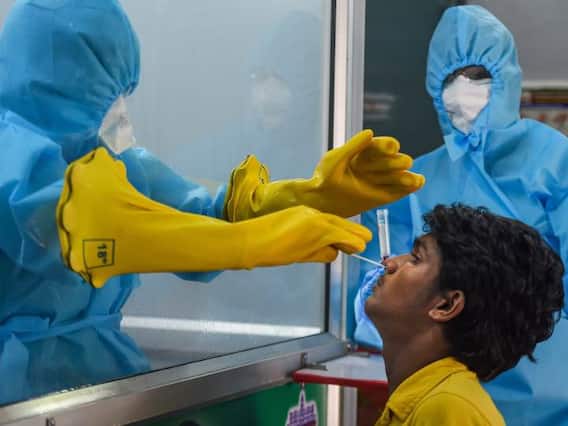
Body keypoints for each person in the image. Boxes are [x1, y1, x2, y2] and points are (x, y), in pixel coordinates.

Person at [0, 0, 424, 405]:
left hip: (101, 380)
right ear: (52, 88)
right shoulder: (13, 159)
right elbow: (98, 230)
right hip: (20, 392)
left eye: (120, 92)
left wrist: (310, 197)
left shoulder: (108, 157)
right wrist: (249, 243)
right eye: (103, 95)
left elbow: (205, 211)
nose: (120, 111)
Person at [357, 5, 568, 424]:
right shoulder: (419, 176)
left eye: (477, 76)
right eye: (449, 79)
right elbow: (380, 273)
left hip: (547, 390)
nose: (462, 91)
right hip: (438, 380)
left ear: (505, 78)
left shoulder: (554, 162)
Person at [365, 204, 564, 425]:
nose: (390, 263)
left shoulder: (447, 408)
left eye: (416, 258)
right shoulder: (425, 403)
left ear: (446, 305)